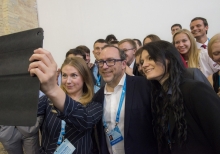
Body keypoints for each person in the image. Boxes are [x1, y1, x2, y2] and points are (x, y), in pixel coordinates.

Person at [140, 40, 220, 154]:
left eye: (150, 58)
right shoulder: (159, 97)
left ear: (169, 58)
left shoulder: (195, 90)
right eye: (142, 61)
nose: (144, 65)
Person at [29, 51, 102, 153]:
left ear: (85, 78)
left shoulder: (94, 104)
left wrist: (53, 90)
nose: (68, 81)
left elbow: (85, 120)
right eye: (64, 75)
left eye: (74, 75)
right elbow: (27, 111)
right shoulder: (48, 100)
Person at [93, 44, 158, 154]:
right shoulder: (97, 97)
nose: (104, 66)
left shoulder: (144, 86)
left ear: (123, 64)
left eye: (110, 61)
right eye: (101, 62)